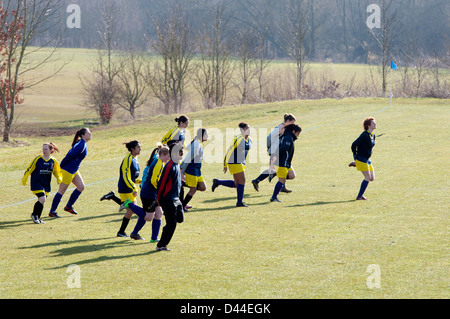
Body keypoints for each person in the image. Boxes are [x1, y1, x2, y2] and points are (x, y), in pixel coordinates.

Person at [120, 145, 170, 242]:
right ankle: (128, 204)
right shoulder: (159, 163)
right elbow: (154, 180)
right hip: (149, 193)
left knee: (159, 214)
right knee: (148, 217)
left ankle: (154, 238)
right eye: (168, 156)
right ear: (163, 155)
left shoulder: (159, 161)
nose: (169, 158)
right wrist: (161, 190)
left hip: (153, 193)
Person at [100, 141, 142, 237]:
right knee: (131, 210)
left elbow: (133, 177)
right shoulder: (128, 159)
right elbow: (126, 176)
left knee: (131, 210)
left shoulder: (135, 159)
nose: (140, 149)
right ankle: (123, 232)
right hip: (125, 187)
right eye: (138, 147)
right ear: (133, 149)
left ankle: (121, 232)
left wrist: (141, 181)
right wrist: (134, 188)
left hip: (129, 187)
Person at [49, 128, 91, 218]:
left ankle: (68, 206)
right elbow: (69, 155)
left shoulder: (82, 143)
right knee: (61, 191)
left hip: (74, 170)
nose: (90, 134)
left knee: (81, 187)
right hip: (68, 170)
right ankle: (52, 211)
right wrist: (62, 166)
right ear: (83, 135)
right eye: (88, 133)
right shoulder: (81, 145)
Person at [252, 113, 296, 193]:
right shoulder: (279, 128)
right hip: (276, 152)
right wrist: (269, 147)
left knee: (287, 173)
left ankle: (258, 181)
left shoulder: (286, 128)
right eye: (292, 122)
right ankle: (258, 181)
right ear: (288, 120)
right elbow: (269, 138)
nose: (293, 125)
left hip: (282, 153)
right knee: (274, 170)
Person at [212, 122, 252, 207]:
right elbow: (229, 151)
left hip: (240, 162)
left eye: (249, 128)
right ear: (242, 130)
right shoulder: (238, 138)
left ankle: (218, 182)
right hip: (234, 162)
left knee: (237, 184)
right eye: (247, 129)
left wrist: (244, 163)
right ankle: (239, 202)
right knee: (242, 181)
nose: (249, 130)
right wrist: (225, 164)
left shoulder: (249, 139)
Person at [22, 143, 62, 224]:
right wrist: (25, 178)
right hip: (36, 182)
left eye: (46, 149)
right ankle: (34, 215)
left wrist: (59, 178)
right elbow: (29, 168)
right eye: (43, 149)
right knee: (42, 198)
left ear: (51, 150)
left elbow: (57, 171)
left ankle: (38, 218)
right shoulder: (38, 158)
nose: (44, 151)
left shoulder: (53, 161)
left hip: (46, 184)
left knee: (42, 201)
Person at [270, 124, 302, 203]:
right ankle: (274, 197)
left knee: (292, 176)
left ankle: (276, 174)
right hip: (282, 162)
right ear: (293, 131)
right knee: (281, 180)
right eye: (297, 133)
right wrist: (276, 158)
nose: (298, 136)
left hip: (286, 162)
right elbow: (283, 149)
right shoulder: (288, 137)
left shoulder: (289, 136)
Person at [180, 128, 208, 211]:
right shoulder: (197, 144)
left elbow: (188, 147)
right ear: (202, 136)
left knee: (203, 187)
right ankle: (182, 206)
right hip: (192, 169)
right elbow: (188, 158)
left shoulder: (197, 143)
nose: (207, 136)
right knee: (193, 189)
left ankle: (182, 183)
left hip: (197, 170)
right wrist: (182, 169)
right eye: (206, 134)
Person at [349, 117, 377, 200]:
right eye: (373, 123)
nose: (375, 124)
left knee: (372, 178)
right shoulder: (364, 135)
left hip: (367, 159)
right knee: (367, 178)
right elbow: (354, 145)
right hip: (361, 158)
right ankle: (359, 196)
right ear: (368, 125)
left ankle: (356, 164)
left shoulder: (372, 135)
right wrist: (355, 156)